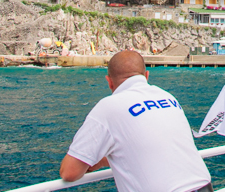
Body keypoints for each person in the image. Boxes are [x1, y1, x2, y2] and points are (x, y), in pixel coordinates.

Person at [59, 49, 212, 192]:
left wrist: (98, 160)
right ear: (146, 76)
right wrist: (108, 160)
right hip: (204, 186)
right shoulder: (167, 96)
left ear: (109, 82)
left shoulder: (108, 107)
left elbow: (69, 172)